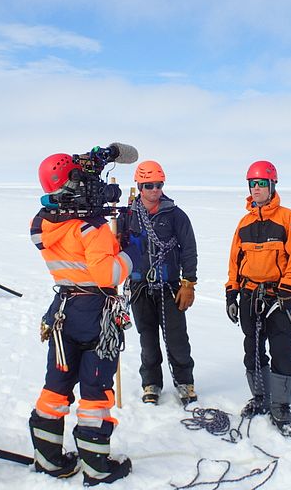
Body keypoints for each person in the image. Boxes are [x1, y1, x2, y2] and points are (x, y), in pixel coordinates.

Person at [28, 152, 141, 485]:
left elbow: (45, 228)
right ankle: (96, 467)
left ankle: (49, 460)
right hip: (95, 314)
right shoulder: (92, 229)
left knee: (57, 386)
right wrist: (128, 255)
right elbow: (107, 274)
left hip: (62, 310)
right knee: (95, 390)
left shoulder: (42, 224)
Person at [225, 160, 291, 437]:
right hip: (249, 295)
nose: (257, 188)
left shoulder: (288, 218)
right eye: (252, 184)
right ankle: (260, 397)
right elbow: (235, 261)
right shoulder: (244, 222)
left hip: (278, 297)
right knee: (253, 348)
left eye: (262, 183)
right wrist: (231, 292)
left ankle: (281, 405)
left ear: (272, 185)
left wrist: (288, 288)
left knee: (282, 349)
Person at [119, 160, 198, 405]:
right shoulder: (127, 217)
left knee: (177, 338)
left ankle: (185, 382)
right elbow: (115, 248)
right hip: (139, 286)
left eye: (159, 184)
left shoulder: (175, 215)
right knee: (147, 338)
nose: (155, 190)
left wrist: (189, 282)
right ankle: (151, 382)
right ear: (139, 186)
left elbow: (189, 249)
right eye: (149, 185)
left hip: (169, 286)